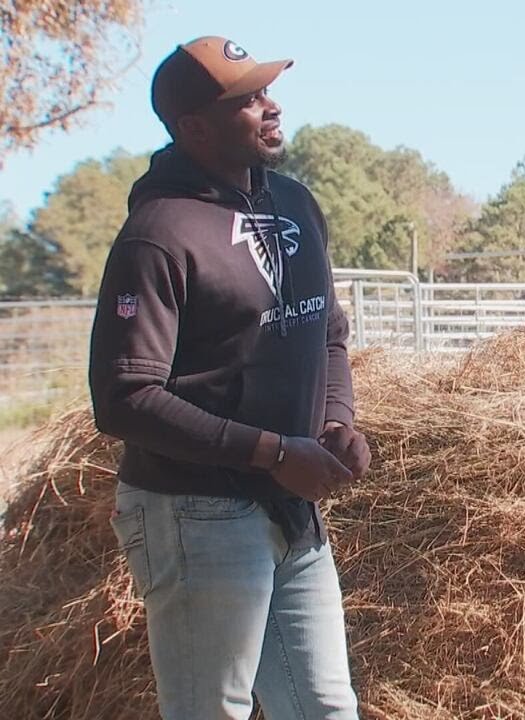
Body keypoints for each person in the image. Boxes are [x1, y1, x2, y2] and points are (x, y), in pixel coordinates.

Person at [89, 36, 370, 720]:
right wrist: (273, 452)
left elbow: (325, 330)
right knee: (211, 711)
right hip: (195, 511)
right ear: (194, 127)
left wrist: (337, 419)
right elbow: (124, 399)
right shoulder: (159, 233)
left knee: (324, 708)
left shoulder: (297, 204)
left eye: (267, 91)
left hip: (290, 507)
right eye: (247, 100)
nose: (271, 107)